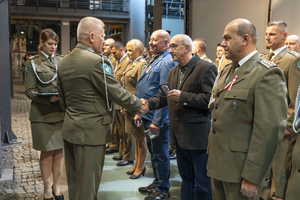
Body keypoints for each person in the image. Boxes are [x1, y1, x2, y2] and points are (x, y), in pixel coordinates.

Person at [57, 16, 147, 200]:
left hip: (70, 128)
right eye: (102, 35)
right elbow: (116, 93)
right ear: (91, 36)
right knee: (88, 185)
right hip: (91, 132)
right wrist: (139, 105)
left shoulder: (64, 61)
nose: (104, 40)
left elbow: (62, 99)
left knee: (74, 183)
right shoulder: (97, 62)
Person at [206, 18, 287, 200]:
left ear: (245, 39)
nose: (223, 44)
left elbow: (269, 131)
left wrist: (253, 176)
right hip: (219, 164)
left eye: (227, 38)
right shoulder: (227, 70)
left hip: (241, 170)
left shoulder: (267, 73)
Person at [144, 33, 217, 200]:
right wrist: (147, 104)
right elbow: (164, 96)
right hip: (179, 135)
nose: (170, 50)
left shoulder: (206, 68)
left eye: (174, 46)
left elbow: (211, 100)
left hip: (198, 138)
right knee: (187, 179)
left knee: (202, 182)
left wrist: (183, 97)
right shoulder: (173, 71)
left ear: (187, 48)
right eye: (170, 46)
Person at [135, 29, 176, 200]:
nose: (151, 43)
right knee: (154, 154)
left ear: (166, 43)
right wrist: (139, 112)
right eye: (150, 39)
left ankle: (163, 189)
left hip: (156, 118)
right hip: (147, 115)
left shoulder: (166, 61)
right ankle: (157, 183)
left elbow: (164, 95)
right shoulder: (155, 59)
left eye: (155, 40)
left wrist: (158, 121)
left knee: (160, 155)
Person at [25, 29, 65, 200]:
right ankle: (47, 189)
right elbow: (29, 91)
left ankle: (57, 187)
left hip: (60, 113)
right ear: (41, 43)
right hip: (42, 114)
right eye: (50, 44)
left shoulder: (62, 61)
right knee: (47, 152)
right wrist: (46, 99)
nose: (53, 47)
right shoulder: (32, 63)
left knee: (59, 152)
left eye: (55, 44)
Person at [262, 21, 300, 200]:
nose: (267, 37)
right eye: (267, 34)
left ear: (284, 36)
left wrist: (289, 124)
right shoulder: (264, 58)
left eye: (273, 34)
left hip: (281, 128)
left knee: (279, 175)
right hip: (264, 126)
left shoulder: (292, 60)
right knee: (264, 172)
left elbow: (295, 97)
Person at [122, 39, 148, 179]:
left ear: (139, 51)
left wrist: (139, 110)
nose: (127, 53)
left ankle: (140, 166)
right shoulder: (133, 64)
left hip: (137, 107)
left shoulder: (141, 65)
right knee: (136, 138)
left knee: (141, 137)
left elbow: (141, 89)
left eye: (130, 50)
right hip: (130, 106)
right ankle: (137, 164)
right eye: (126, 50)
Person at [106, 41, 135, 167]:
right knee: (120, 131)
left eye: (114, 52)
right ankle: (122, 153)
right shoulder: (117, 62)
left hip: (124, 101)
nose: (113, 55)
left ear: (121, 50)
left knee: (127, 132)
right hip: (117, 102)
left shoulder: (128, 63)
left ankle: (128, 156)